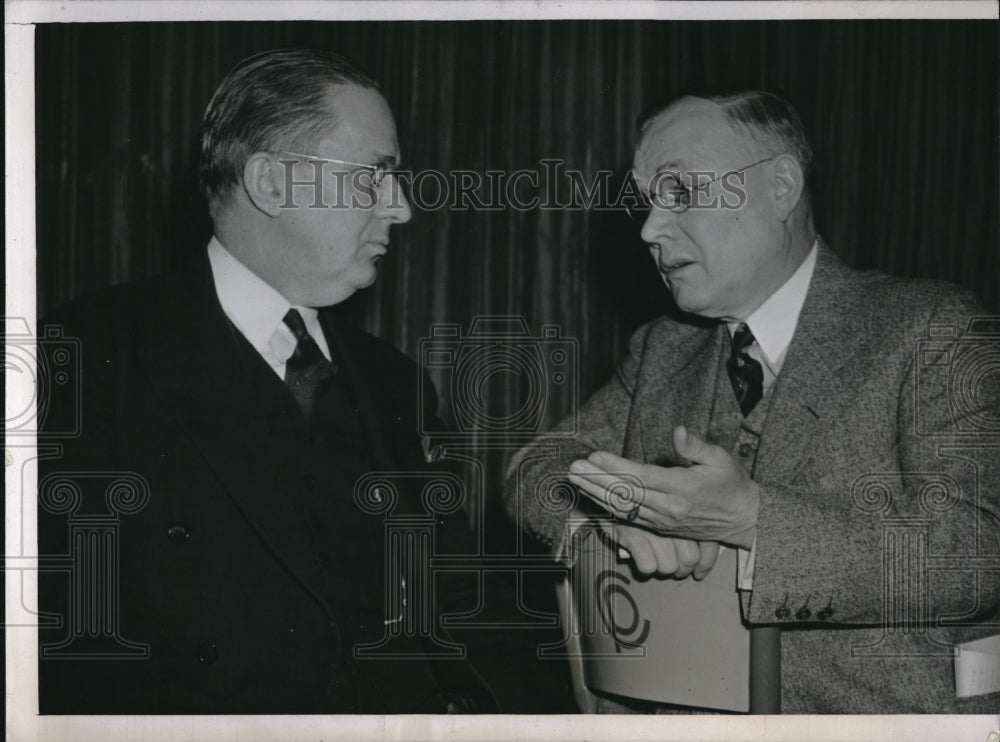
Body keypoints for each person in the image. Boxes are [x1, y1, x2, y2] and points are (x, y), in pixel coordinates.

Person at [504, 89, 1000, 713]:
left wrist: (754, 523)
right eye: (647, 203)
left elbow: (976, 555)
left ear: (781, 187)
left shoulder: (935, 328)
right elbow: (535, 464)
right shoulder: (664, 348)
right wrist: (598, 520)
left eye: (679, 192)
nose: (651, 229)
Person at [37, 48, 495, 714]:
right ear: (271, 183)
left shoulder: (394, 383)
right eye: (375, 176)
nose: (400, 209)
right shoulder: (85, 353)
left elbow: (458, 610)